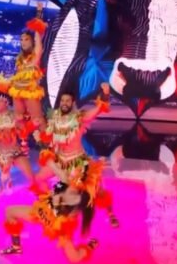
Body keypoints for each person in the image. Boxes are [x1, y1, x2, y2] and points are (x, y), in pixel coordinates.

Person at [35, 83, 119, 227]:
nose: (64, 103)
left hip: (78, 162)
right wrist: (39, 134)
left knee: (97, 189)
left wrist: (105, 94)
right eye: (62, 100)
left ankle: (110, 213)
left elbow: (99, 109)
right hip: (60, 161)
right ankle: (52, 205)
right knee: (38, 178)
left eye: (67, 101)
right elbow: (49, 139)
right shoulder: (55, 119)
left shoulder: (79, 117)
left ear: (73, 102)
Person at [1, 157, 101, 263]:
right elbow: (59, 172)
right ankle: (16, 247)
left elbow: (63, 201)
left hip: (60, 226)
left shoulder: (80, 197)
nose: (74, 172)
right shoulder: (68, 181)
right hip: (44, 212)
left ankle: (91, 245)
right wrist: (50, 162)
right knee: (10, 212)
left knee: (74, 258)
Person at [9, 2, 48, 140]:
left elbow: (38, 35)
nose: (23, 42)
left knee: (38, 120)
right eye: (21, 40)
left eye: (26, 39)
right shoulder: (19, 59)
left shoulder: (36, 55)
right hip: (17, 91)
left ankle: (47, 147)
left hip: (31, 92)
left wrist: (39, 13)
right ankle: (23, 146)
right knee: (19, 119)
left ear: (32, 42)